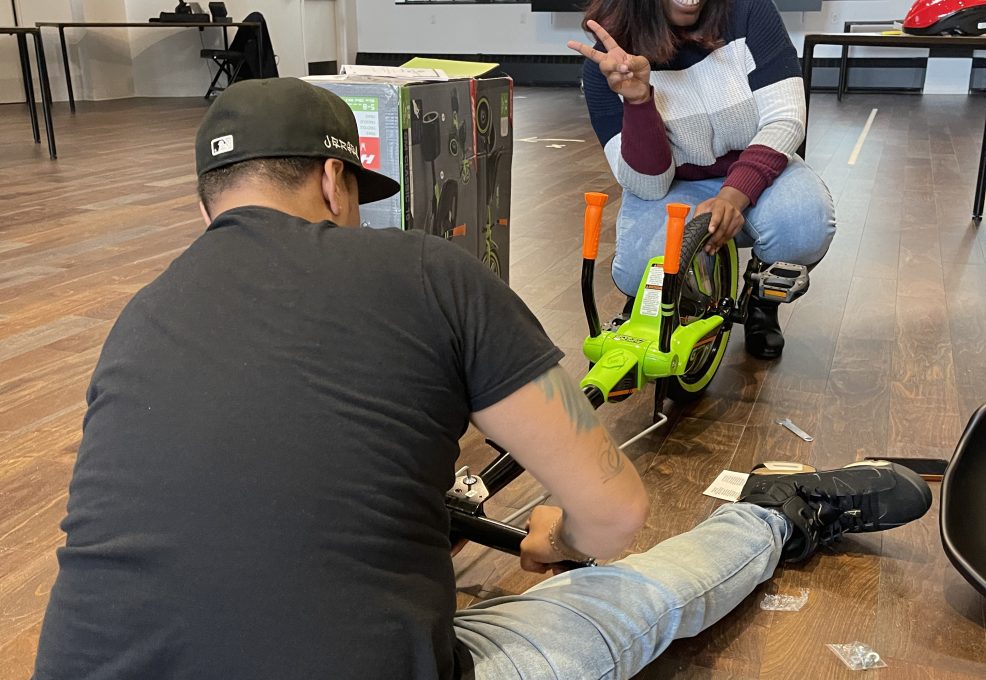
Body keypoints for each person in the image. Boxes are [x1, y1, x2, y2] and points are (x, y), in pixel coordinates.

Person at [31, 78, 930, 680]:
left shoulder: (138, 317)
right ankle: (780, 513)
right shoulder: (426, 274)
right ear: (338, 181)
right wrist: (559, 532)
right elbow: (613, 517)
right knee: (628, 603)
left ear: (205, 204)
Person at [569, 0, 837, 359]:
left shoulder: (750, 11)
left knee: (804, 225)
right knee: (641, 273)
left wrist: (735, 194)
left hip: (756, 169)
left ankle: (760, 302)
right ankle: (691, 303)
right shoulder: (609, 60)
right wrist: (638, 102)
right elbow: (648, 185)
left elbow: (785, 119)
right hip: (676, 185)